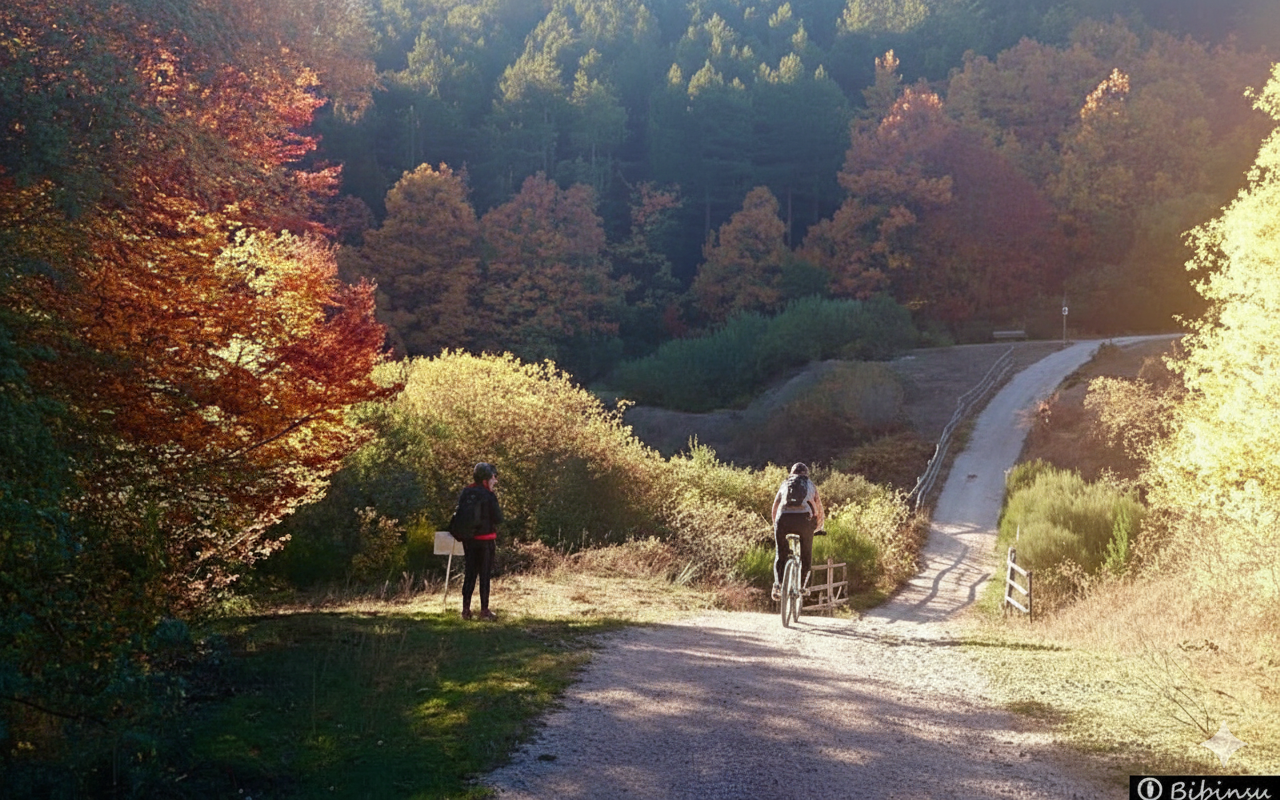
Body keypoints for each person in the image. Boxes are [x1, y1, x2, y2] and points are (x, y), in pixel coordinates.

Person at [771, 462, 824, 601]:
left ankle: (778, 585)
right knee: (806, 554)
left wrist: (776, 525)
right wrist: (819, 527)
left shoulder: (785, 483)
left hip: (783, 519)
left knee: (780, 553)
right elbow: (818, 508)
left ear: (792, 473)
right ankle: (803, 586)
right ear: (806, 473)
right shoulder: (810, 485)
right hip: (804, 521)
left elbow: (775, 506)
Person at [460, 462, 503, 621]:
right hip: (486, 540)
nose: (495, 481)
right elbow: (498, 519)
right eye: (493, 477)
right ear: (487, 478)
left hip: (469, 541)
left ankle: (466, 610)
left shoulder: (466, 491)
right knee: (484, 575)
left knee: (469, 574)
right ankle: (484, 610)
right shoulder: (489, 495)